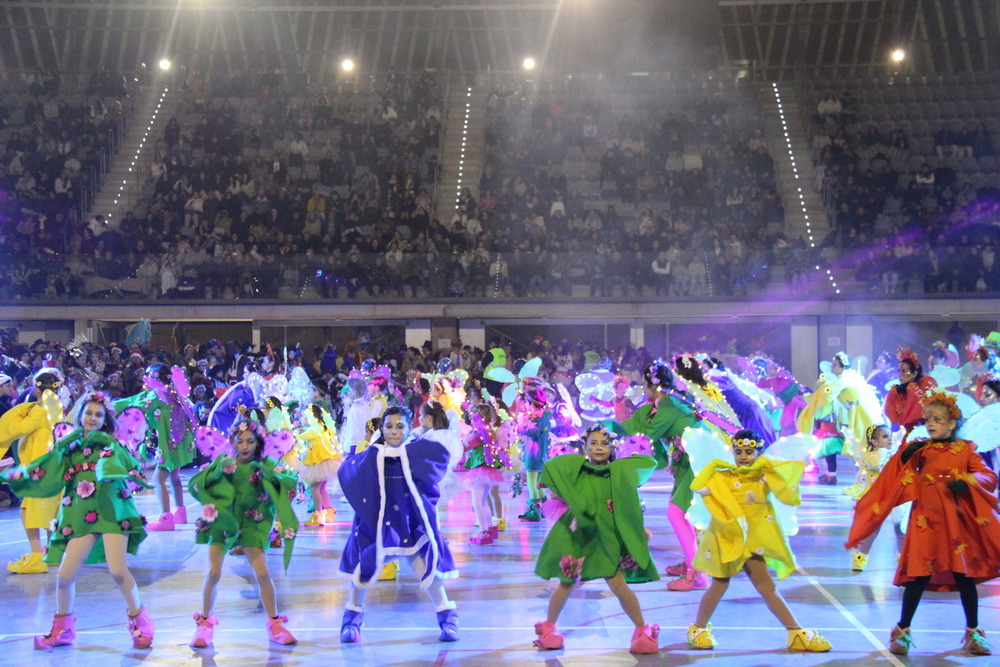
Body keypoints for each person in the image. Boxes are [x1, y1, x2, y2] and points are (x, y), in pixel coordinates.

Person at [847, 392, 1000, 656]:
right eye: (928, 418)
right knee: (918, 576)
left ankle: (974, 632)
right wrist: (906, 453)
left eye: (938, 419)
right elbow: (894, 471)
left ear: (952, 424)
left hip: (956, 524)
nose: (930, 423)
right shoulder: (921, 448)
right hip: (925, 523)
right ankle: (903, 631)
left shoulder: (966, 449)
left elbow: (987, 475)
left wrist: (967, 480)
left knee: (965, 577)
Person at [2, 392, 154, 650]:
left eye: (98, 415)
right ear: (80, 414)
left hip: (111, 510)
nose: (92, 418)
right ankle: (63, 630)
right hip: (80, 512)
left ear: (105, 419)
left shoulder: (111, 444)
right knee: (64, 575)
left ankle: (141, 621)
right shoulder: (68, 445)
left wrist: (111, 468)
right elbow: (45, 468)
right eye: (89, 413)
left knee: (118, 571)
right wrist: (19, 474)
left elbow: (129, 464)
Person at [685, 429, 832, 653]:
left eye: (749, 452)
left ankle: (795, 633)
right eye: (738, 451)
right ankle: (697, 629)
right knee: (719, 585)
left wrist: (765, 463)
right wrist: (715, 465)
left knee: (767, 588)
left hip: (752, 542)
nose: (743, 456)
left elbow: (787, 478)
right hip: (725, 540)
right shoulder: (724, 475)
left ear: (757, 452)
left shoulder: (764, 475)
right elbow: (697, 486)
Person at [532, 425, 660, 653]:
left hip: (608, 536)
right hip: (580, 535)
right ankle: (549, 629)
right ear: (585, 446)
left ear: (613, 447)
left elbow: (629, 505)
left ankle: (641, 629)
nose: (599, 448)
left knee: (618, 583)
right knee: (567, 582)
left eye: (604, 443)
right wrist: (562, 490)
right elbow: (554, 485)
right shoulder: (576, 471)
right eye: (593, 443)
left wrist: (638, 530)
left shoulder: (618, 474)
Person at [337, 407, 459, 644]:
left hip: (411, 523)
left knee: (430, 571)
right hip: (381, 527)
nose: (394, 431)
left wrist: (412, 454)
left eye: (400, 426)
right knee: (363, 571)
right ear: (382, 428)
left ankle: (447, 618)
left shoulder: (416, 451)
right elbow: (348, 471)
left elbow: (439, 461)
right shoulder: (372, 454)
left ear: (408, 427)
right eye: (389, 426)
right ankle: (351, 619)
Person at [188, 418, 300, 647]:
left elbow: (290, 482)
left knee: (262, 574)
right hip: (224, 522)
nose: (245, 446)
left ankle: (274, 623)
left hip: (253, 522)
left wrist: (269, 475)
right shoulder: (223, 461)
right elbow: (197, 483)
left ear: (258, 442)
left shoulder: (267, 463)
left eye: (250, 441)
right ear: (233, 442)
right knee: (213, 573)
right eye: (240, 441)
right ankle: (205, 623)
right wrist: (218, 470)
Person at [619, 360, 705, 591]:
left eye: (645, 386)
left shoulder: (668, 404)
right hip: (688, 463)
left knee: (677, 515)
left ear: (653, 386)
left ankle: (698, 574)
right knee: (682, 514)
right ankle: (691, 562)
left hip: (698, 464)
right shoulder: (675, 399)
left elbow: (647, 435)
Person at [0, 369, 65, 573]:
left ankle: (37, 555)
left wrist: (18, 413)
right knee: (49, 511)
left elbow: (19, 428)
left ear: (37, 388)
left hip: (38, 467)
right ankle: (52, 552)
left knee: (27, 511)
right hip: (52, 465)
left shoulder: (40, 409)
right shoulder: (56, 407)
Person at [844, 424, 904, 572]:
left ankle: (903, 559)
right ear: (874, 442)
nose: (889, 439)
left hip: (894, 495)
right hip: (878, 497)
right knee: (873, 529)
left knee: (900, 527)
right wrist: (885, 451)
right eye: (885, 437)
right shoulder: (872, 456)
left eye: (890, 436)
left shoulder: (894, 453)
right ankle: (860, 557)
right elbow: (877, 463)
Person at [462, 403, 511, 546]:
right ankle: (489, 529)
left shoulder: (479, 433)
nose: (472, 418)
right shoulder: (487, 431)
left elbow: (466, 445)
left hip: (480, 469)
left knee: (477, 502)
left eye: (474, 416)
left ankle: (484, 531)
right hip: (488, 470)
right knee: (482, 501)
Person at [295, 404, 343, 527]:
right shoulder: (322, 427)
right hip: (326, 463)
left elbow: (300, 436)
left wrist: (295, 431)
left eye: (305, 417)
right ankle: (328, 513)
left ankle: (318, 515)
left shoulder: (313, 430)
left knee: (314, 488)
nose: (303, 419)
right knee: (322, 488)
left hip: (318, 464)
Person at [884, 348, 938, 436]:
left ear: (914, 373)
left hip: (927, 432)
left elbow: (922, 410)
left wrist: (911, 388)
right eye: (899, 371)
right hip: (902, 435)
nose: (900, 374)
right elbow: (893, 418)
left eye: (904, 371)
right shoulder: (895, 392)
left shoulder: (927, 382)